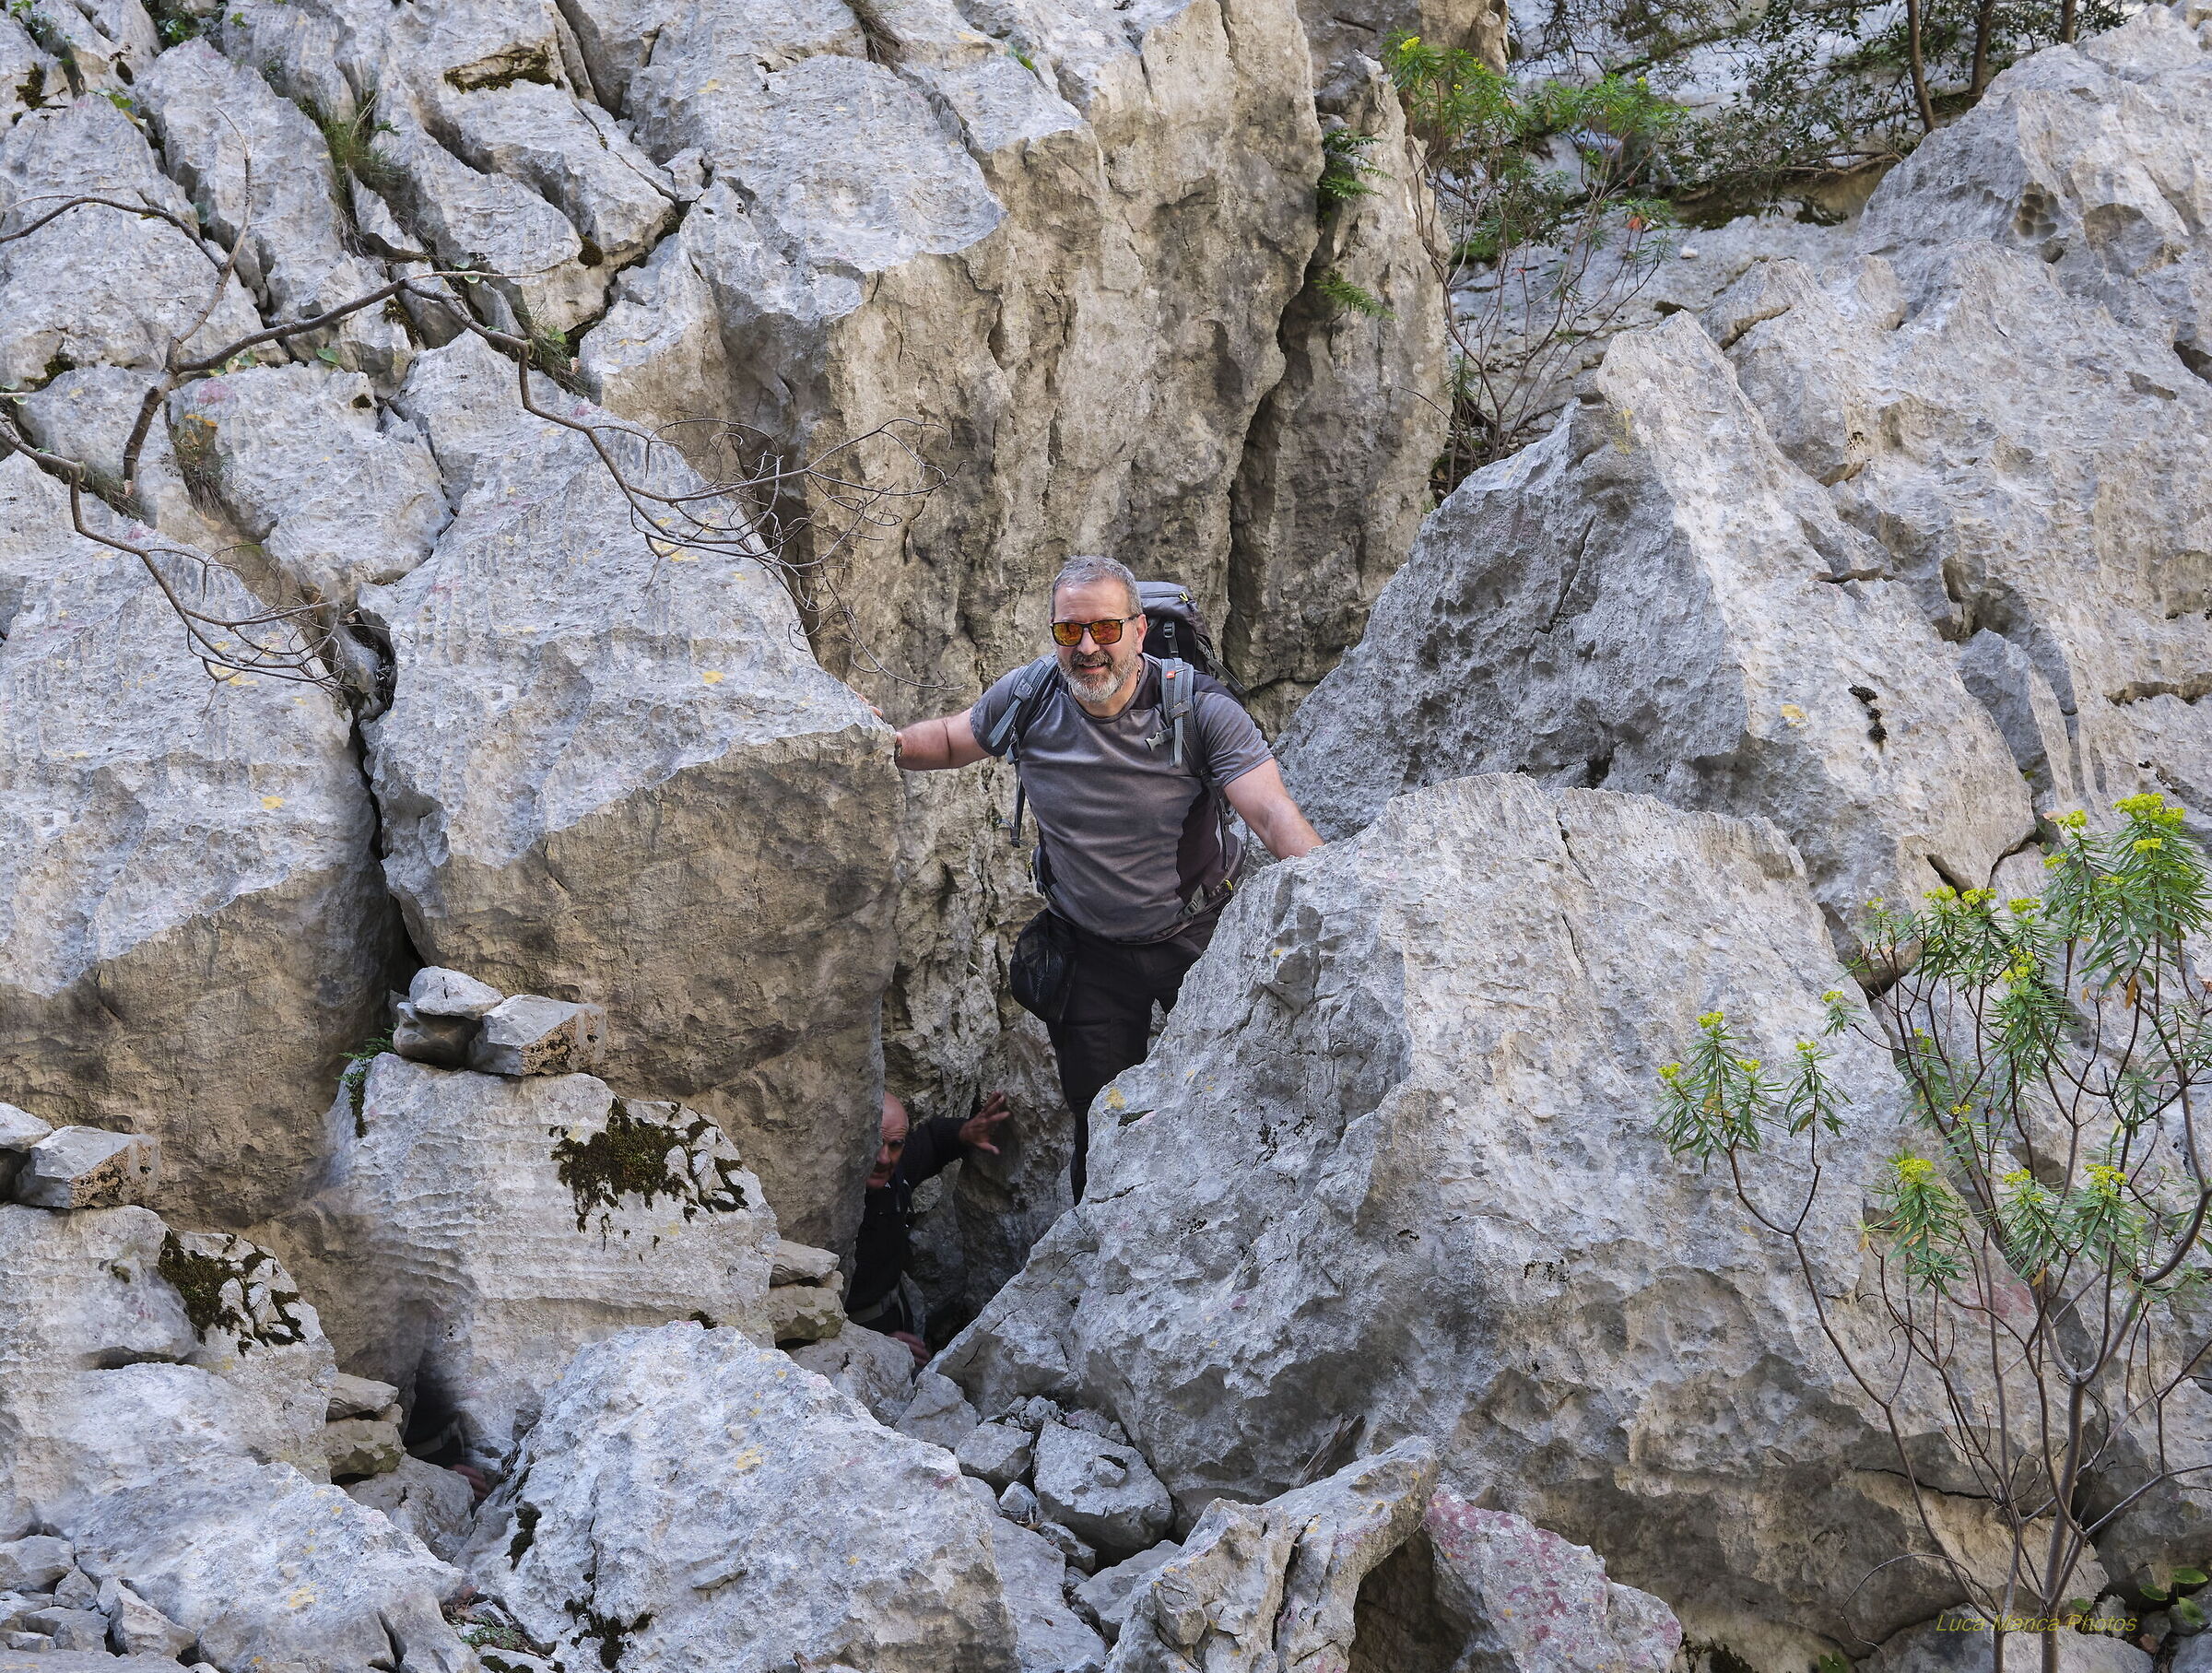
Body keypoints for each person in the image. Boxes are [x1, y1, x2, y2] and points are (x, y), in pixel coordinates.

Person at [892, 554, 1322, 1200]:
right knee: (1100, 1114)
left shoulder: (1196, 709)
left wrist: (1334, 889)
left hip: (1197, 937)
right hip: (1088, 949)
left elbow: (1268, 808)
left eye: (1105, 629)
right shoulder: (1031, 698)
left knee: (1225, 1090)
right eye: (1069, 631)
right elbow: (955, 740)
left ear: (1139, 630)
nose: (1088, 647)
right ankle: (1099, 1238)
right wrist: (879, 742)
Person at [849, 1089, 1011, 1361]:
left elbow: (932, 1141)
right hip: (855, 1334)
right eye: (875, 1141)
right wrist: (874, 1342)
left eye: (895, 1145)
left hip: (895, 1312)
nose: (883, 1158)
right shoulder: (827, 1206)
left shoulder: (894, 1174)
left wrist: (966, 1131)